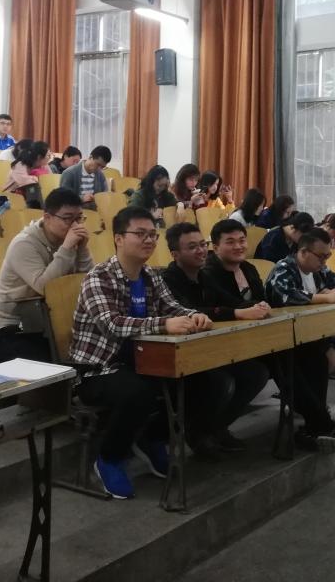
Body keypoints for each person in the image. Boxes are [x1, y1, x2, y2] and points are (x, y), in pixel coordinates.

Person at [69, 206, 211, 499]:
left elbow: (173, 307)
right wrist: (164, 324)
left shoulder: (150, 276)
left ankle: (154, 438)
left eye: (153, 235)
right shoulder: (99, 277)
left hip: (143, 360)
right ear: (119, 238)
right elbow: (111, 324)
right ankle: (109, 458)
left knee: (203, 379)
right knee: (138, 392)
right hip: (98, 370)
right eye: (140, 234)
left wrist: (194, 315)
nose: (149, 240)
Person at [161, 221, 270, 458]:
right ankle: (197, 433)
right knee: (221, 381)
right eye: (192, 247)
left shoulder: (203, 276)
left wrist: (256, 306)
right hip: (182, 355)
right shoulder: (168, 279)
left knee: (257, 373)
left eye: (202, 245)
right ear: (175, 254)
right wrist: (238, 312)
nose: (201, 251)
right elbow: (188, 310)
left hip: (209, 348)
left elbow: (229, 302)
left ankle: (216, 428)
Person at [263, 228, 335, 454]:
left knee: (324, 356)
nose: (325, 261)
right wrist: (324, 297)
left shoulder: (320, 269)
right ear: (303, 252)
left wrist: (332, 292)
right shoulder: (284, 268)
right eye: (321, 256)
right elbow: (285, 296)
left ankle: (314, 426)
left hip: (312, 335)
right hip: (282, 338)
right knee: (316, 358)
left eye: (328, 255)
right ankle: (324, 424)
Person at [0, 188, 94, 361]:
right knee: (55, 366)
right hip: (13, 328)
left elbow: (89, 281)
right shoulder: (24, 244)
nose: (75, 225)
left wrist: (82, 249)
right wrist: (67, 248)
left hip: (53, 321)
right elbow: (45, 287)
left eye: (79, 218)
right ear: (47, 217)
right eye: (68, 218)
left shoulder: (70, 240)